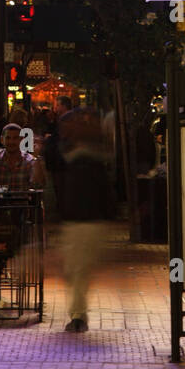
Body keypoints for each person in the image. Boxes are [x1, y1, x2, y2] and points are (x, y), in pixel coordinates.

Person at [58, 108, 117, 333]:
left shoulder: (82, 160)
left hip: (84, 221)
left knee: (78, 270)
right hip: (82, 221)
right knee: (75, 270)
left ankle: (78, 316)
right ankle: (77, 313)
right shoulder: (87, 160)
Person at [0, 123, 46, 192]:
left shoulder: (29, 160)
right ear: (2, 140)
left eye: (15, 138)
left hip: (21, 204)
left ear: (21, 140)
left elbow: (37, 187)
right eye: (8, 138)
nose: (11, 142)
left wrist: (36, 158)